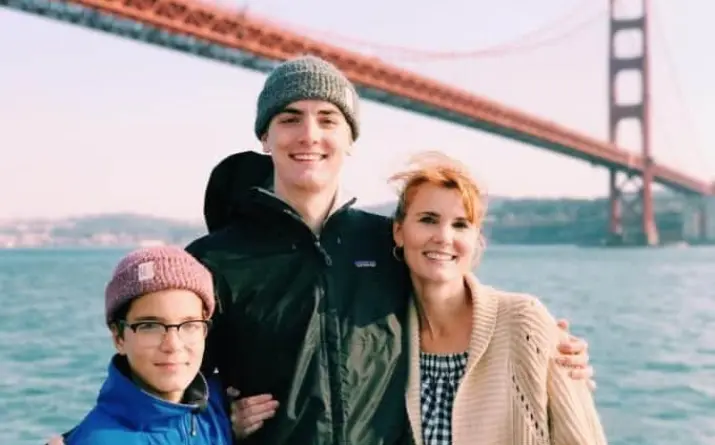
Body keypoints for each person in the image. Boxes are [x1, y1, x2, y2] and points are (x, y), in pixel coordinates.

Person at [48, 55, 593, 445]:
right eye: (290, 118)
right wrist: (214, 421)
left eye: (328, 119)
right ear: (265, 138)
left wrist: (545, 342)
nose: (309, 133)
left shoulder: (384, 242)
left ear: (349, 140)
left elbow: (453, 305)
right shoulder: (214, 260)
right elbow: (161, 368)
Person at [389, 152, 608, 444]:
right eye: (428, 220)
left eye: (460, 225)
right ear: (399, 232)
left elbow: (581, 436)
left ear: (477, 240)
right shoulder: (381, 335)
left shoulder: (524, 321)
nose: (444, 237)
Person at [61, 246, 232, 445]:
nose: (173, 345)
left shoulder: (222, 408)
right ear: (119, 337)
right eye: (150, 326)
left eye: (189, 325)